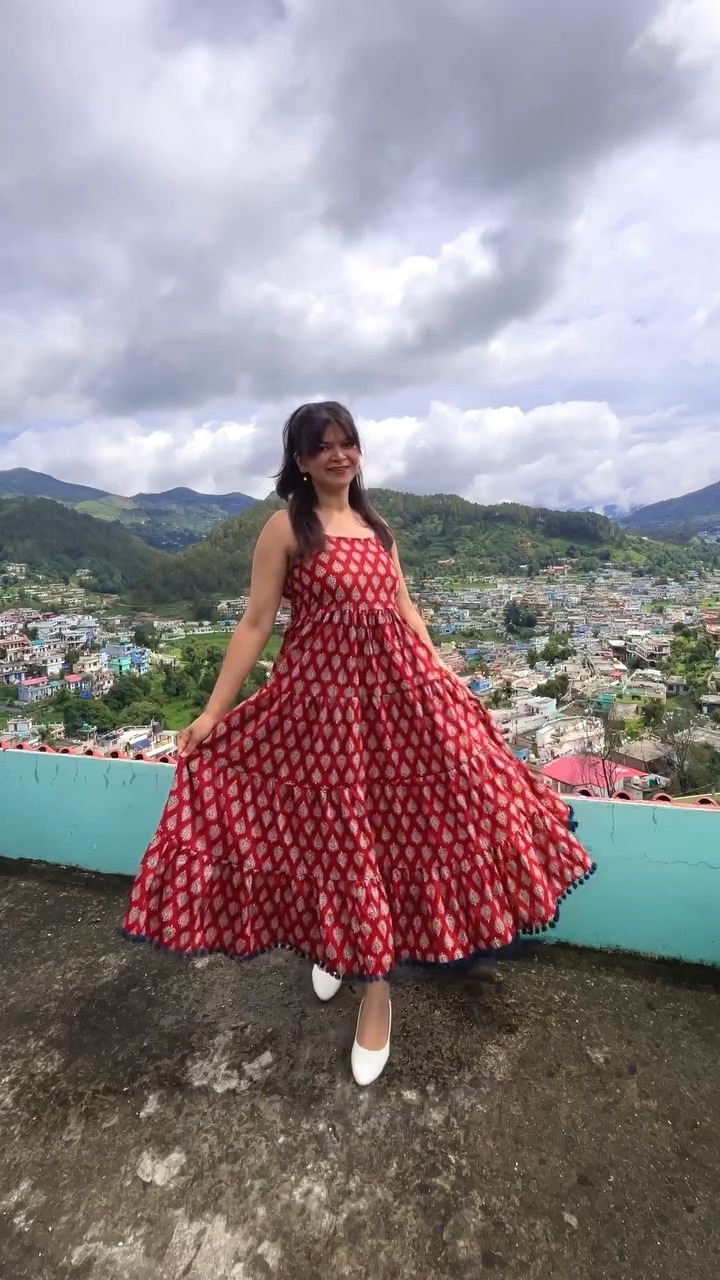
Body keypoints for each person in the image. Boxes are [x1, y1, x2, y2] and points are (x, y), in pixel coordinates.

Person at [122, 401, 595, 1086]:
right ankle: (352, 961)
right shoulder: (286, 529)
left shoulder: (377, 528)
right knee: (336, 836)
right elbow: (256, 623)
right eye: (324, 447)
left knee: (396, 830)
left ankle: (363, 973)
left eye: (349, 443)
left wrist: (443, 677)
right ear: (302, 460)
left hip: (397, 710)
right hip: (319, 715)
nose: (340, 455)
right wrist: (211, 713)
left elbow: (405, 611)